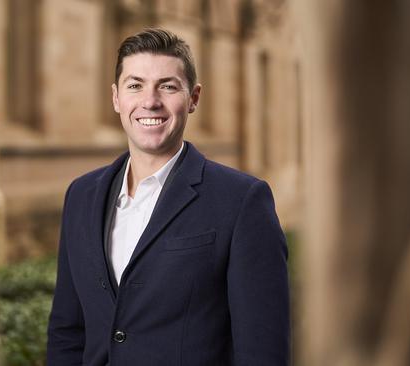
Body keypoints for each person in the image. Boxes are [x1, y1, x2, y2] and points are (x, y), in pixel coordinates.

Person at [46, 28, 290, 366]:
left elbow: (262, 353)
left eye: (168, 86)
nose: (150, 101)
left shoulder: (242, 201)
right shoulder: (81, 196)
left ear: (193, 98)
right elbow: (67, 331)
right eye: (135, 85)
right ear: (116, 98)